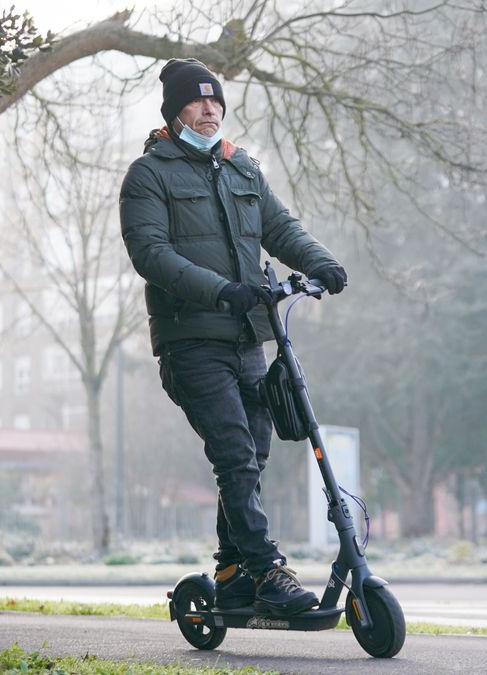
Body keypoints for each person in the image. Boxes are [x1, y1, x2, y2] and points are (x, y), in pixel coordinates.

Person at [119, 58, 348, 616]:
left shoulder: (241, 168)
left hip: (248, 338)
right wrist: (222, 291)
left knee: (256, 451)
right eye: (197, 102)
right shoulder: (148, 176)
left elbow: (281, 228)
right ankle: (267, 570)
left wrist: (322, 263)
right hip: (190, 342)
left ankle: (231, 570)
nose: (210, 109)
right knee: (235, 452)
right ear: (175, 113)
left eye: (215, 101)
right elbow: (152, 254)